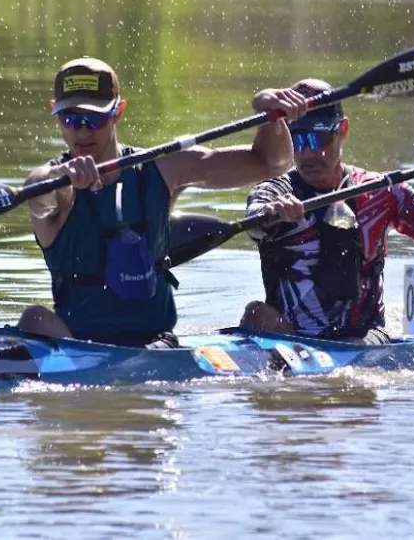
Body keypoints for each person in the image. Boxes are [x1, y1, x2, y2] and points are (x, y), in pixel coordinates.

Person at [17, 57, 309, 347]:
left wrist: (272, 115)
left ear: (118, 111)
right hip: (74, 344)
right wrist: (60, 177)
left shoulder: (165, 167)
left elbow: (272, 163)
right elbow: (38, 196)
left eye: (94, 119)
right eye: (70, 119)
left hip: (154, 345)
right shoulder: (50, 181)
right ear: (54, 114)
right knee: (34, 318)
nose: (82, 131)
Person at [240, 78, 414, 344]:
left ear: (342, 130)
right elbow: (254, 220)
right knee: (257, 314)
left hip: (363, 337)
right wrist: (270, 213)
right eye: (298, 141)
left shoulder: (381, 191)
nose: (308, 153)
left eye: (318, 139)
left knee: (354, 346)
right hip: (289, 337)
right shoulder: (275, 191)